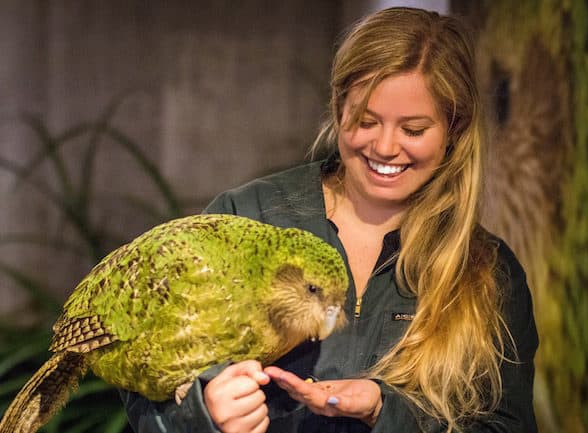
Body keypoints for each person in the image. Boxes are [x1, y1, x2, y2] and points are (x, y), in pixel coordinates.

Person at [121, 7, 538, 433]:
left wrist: (386, 412)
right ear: (339, 107)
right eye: (366, 121)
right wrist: (202, 414)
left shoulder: (489, 272)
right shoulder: (247, 217)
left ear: (455, 128)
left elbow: (507, 426)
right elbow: (145, 386)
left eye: (413, 130)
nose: (386, 146)